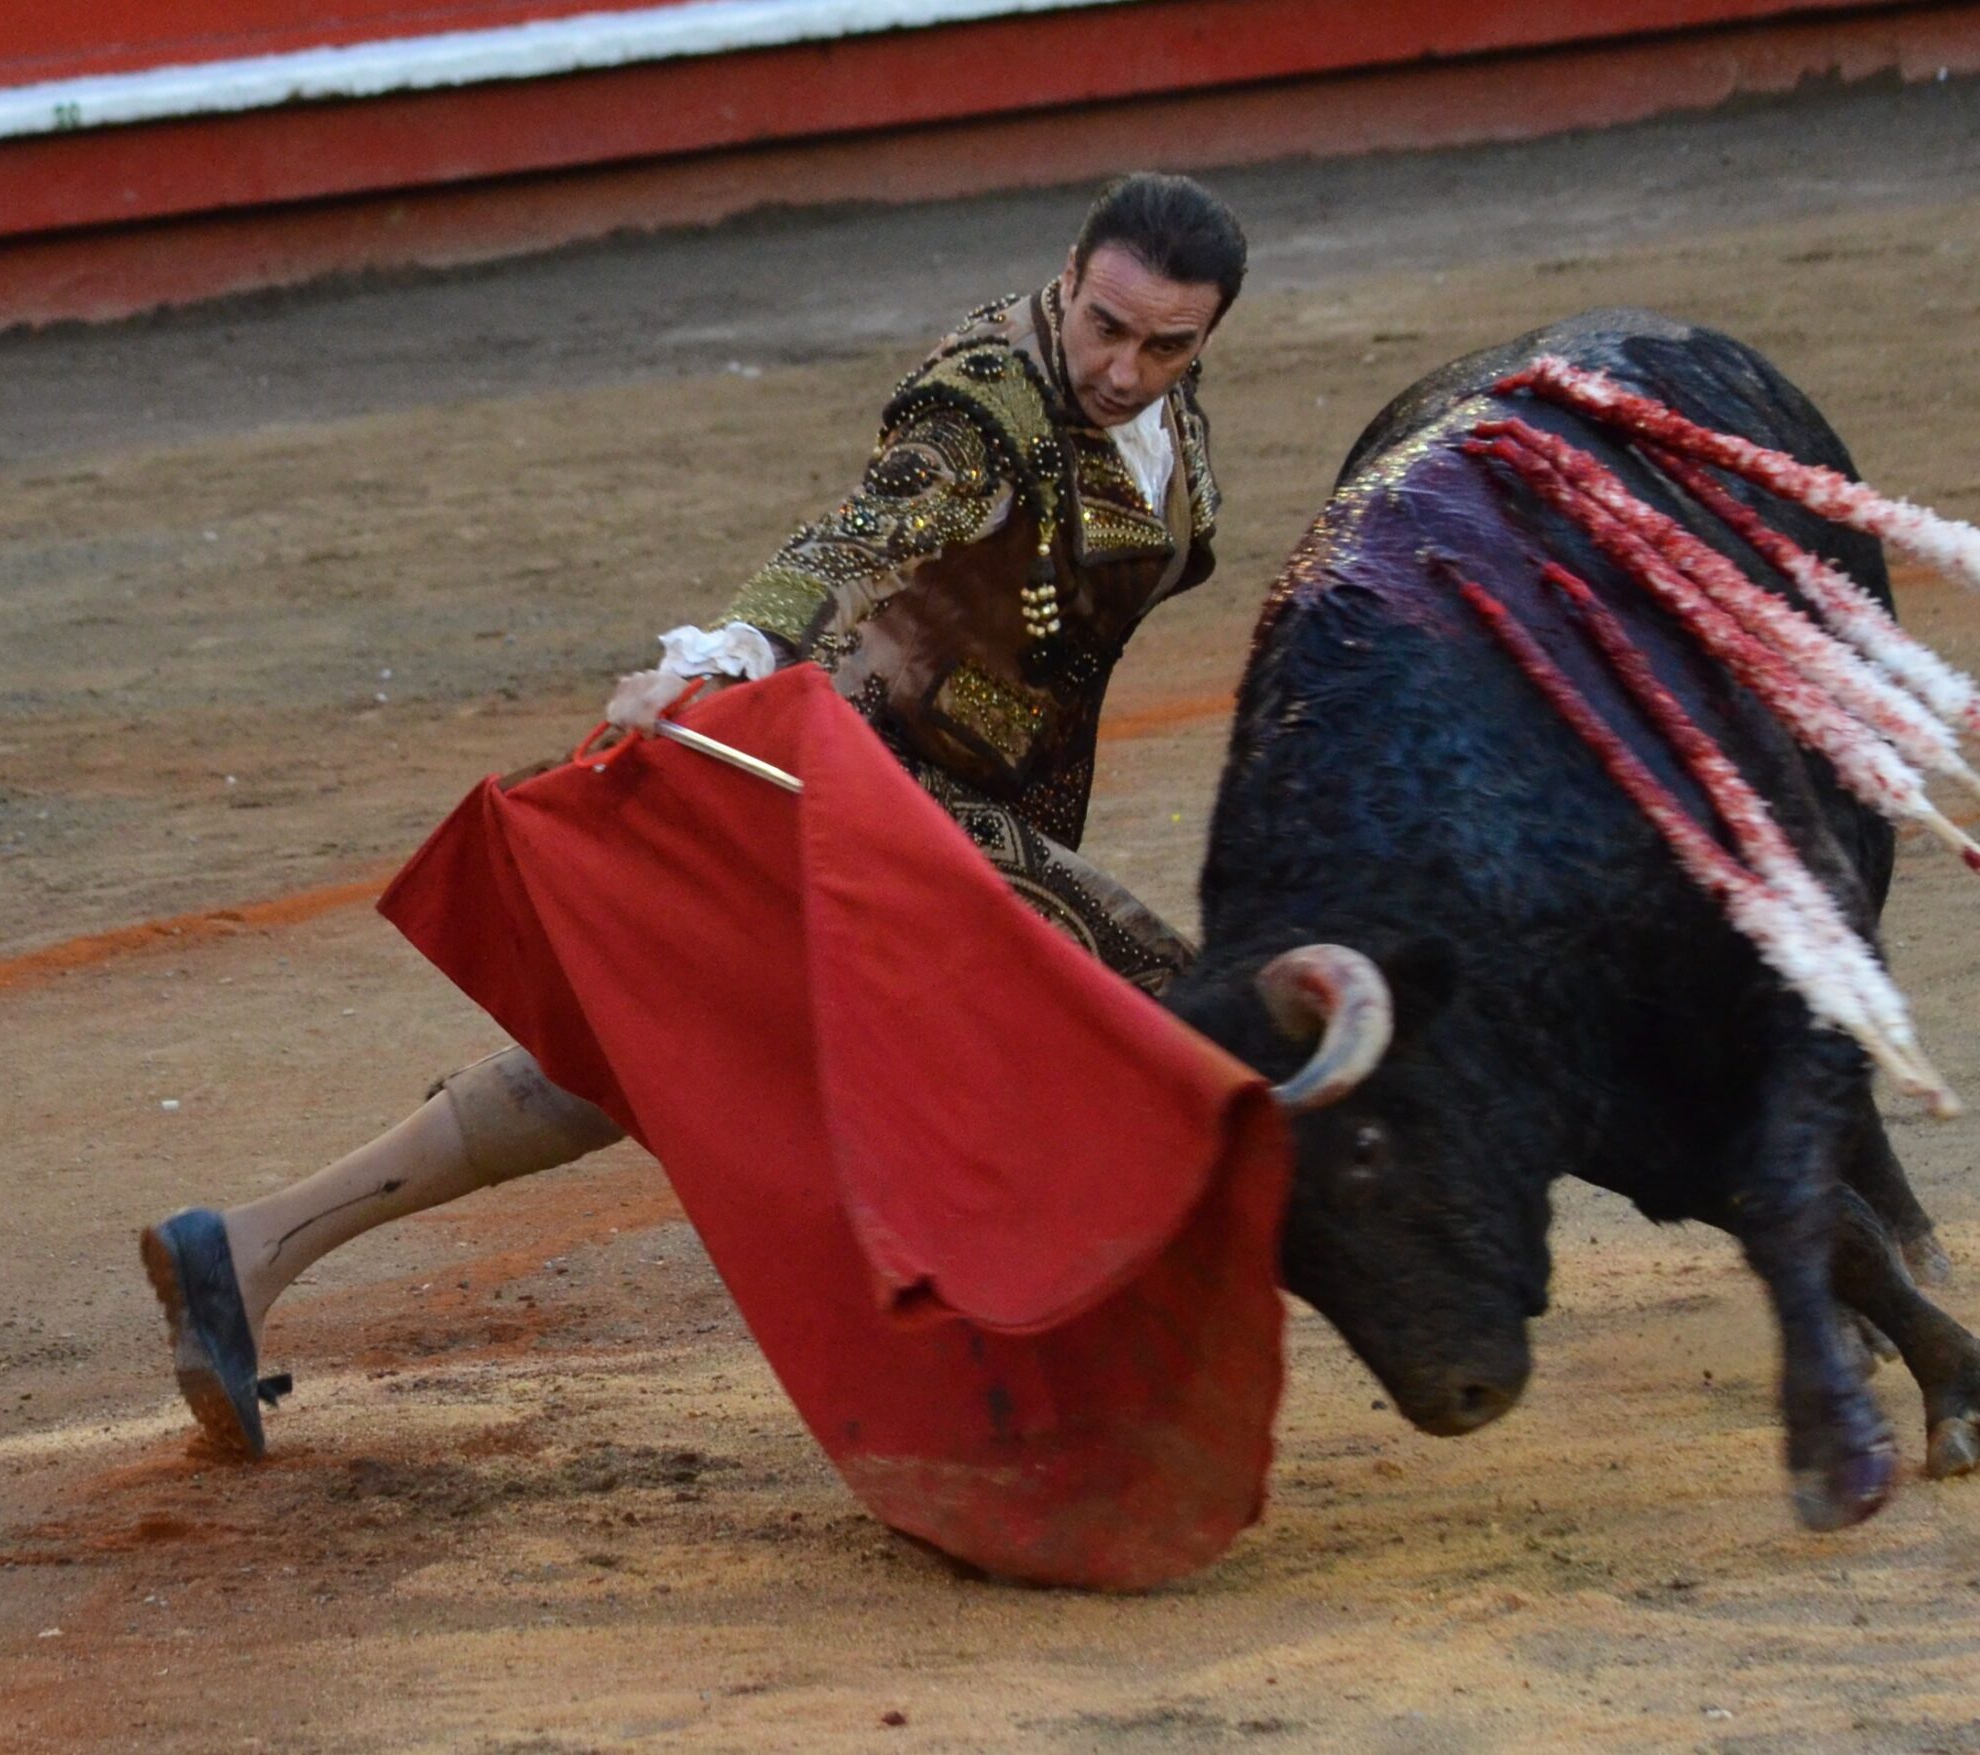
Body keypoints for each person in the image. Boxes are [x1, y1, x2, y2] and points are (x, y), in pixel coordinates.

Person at [141, 172, 1248, 1458]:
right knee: (1142, 1011)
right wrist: (722, 654)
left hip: (977, 795)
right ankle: (1066, 1394)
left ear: (1208, 334)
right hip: (873, 802)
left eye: (1167, 343)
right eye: (1106, 326)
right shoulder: (983, 412)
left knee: (622, 1060)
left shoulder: (1157, 407)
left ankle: (244, 1250)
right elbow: (853, 537)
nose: (1123, 367)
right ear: (1068, 276)